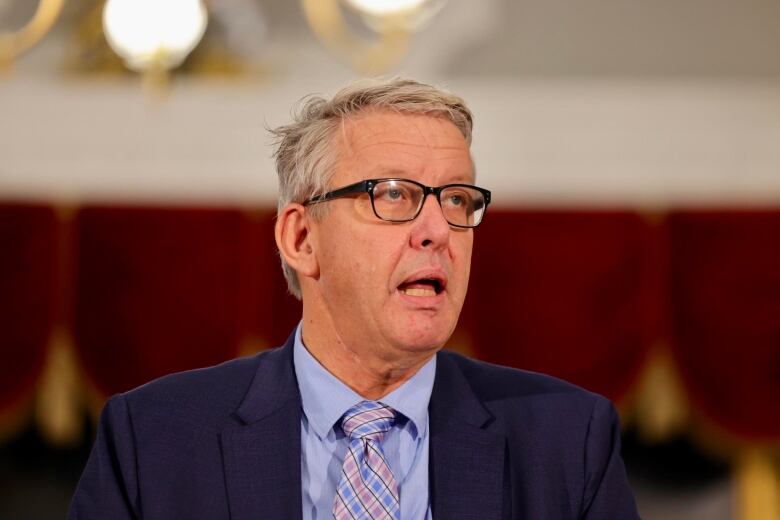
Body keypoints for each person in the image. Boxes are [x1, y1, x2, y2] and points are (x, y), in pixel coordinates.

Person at [69, 78, 639, 519]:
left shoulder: (567, 441)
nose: (438, 230)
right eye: (394, 195)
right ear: (301, 238)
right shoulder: (153, 439)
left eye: (459, 200)